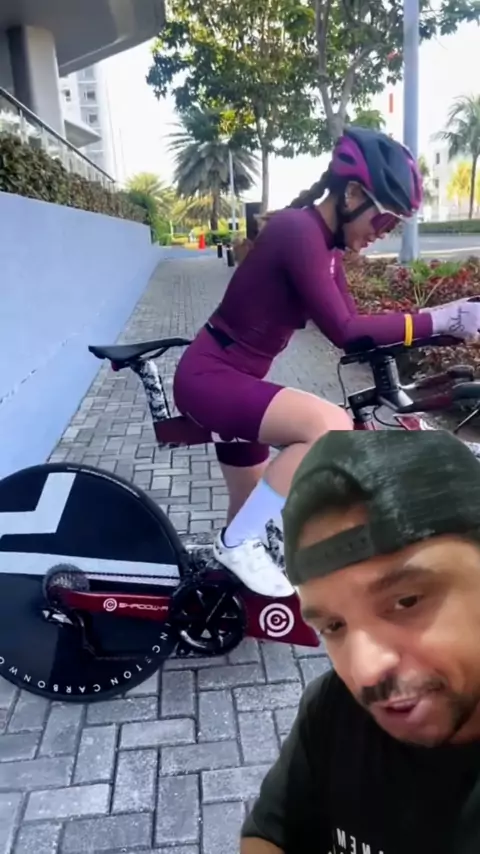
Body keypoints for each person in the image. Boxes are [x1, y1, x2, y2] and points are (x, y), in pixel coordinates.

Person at [173, 126, 480, 598]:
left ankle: (218, 603)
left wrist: (445, 326)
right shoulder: (298, 231)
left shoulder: (326, 249)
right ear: (352, 194)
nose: (383, 233)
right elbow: (346, 331)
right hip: (211, 378)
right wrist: (439, 317)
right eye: (384, 220)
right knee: (328, 427)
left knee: (251, 516)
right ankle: (236, 544)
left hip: (233, 381)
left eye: (394, 227)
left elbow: (356, 330)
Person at [241, 430, 480, 854]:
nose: (365, 671)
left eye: (407, 601)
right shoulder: (334, 708)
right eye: (334, 626)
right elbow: (271, 833)